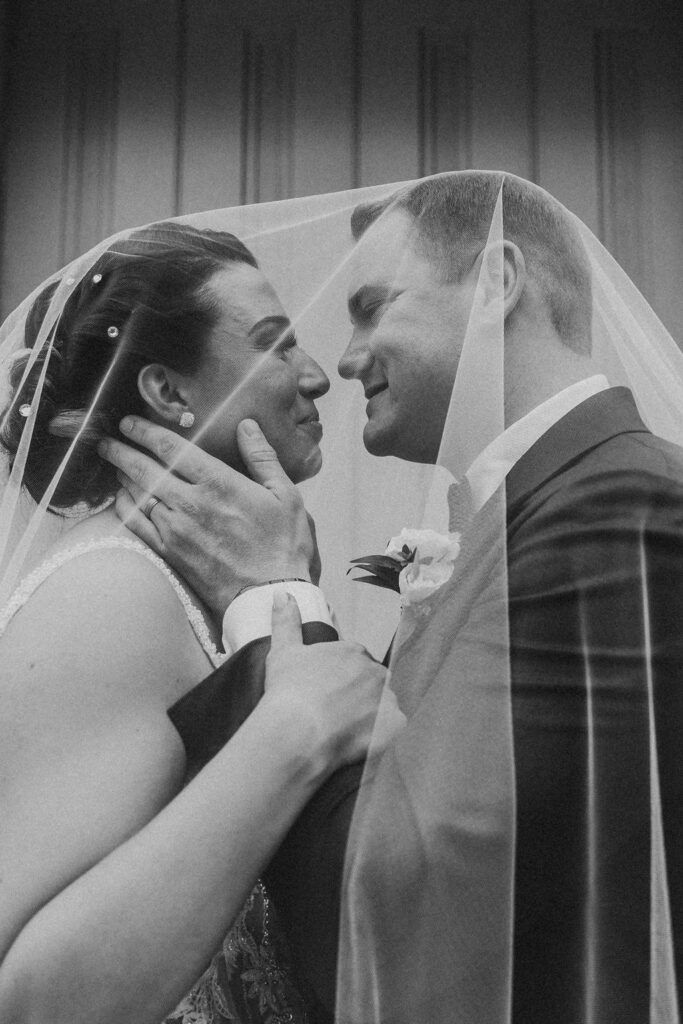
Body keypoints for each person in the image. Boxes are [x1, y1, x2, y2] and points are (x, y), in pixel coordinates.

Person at [99, 172, 683, 1024]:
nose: (341, 359)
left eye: (372, 307)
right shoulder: (548, 509)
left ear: (496, 280)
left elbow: (398, 911)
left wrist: (272, 599)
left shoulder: (615, 508)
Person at [0, 221, 403, 1024]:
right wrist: (290, 733)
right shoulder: (113, 596)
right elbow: (27, 999)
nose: (318, 375)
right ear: (167, 394)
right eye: (276, 344)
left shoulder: (209, 585)